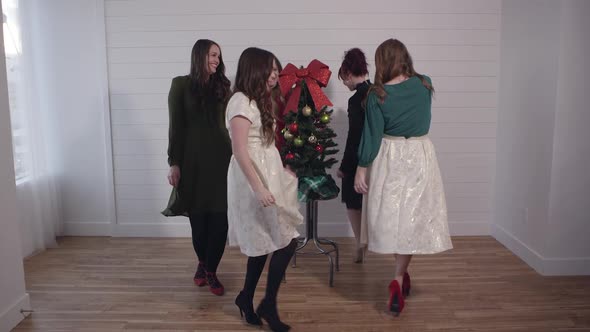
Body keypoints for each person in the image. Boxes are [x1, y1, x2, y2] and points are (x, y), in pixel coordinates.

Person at [354, 39, 453, 315]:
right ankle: (399, 276)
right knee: (411, 221)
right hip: (421, 155)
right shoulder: (425, 84)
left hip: (391, 156)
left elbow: (372, 136)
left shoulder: (378, 95)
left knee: (392, 220)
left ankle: (398, 279)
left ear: (382, 62)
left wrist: (362, 168)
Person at [226, 47, 303, 332]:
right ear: (254, 70)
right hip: (252, 181)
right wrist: (258, 188)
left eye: (275, 69)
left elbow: (263, 145)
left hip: (268, 174)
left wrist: (279, 170)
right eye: (270, 70)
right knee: (282, 240)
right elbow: (241, 151)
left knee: (267, 244)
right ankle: (265, 303)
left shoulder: (260, 101)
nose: (274, 75)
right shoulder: (240, 102)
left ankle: (247, 298)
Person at [162, 39, 232, 296]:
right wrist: (174, 163)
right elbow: (175, 128)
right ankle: (202, 263)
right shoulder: (180, 85)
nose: (216, 60)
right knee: (199, 220)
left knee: (221, 220)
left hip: (223, 160)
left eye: (219, 56)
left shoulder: (223, 86)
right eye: (213, 55)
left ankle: (211, 270)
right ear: (200, 55)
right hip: (192, 162)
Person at [336, 48, 371, 263]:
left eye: (343, 79)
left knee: (351, 199)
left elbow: (354, 137)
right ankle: (364, 241)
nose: (345, 84)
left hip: (359, 158)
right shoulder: (377, 92)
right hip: (378, 156)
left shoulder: (356, 99)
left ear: (349, 73)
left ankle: (360, 242)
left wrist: (344, 166)